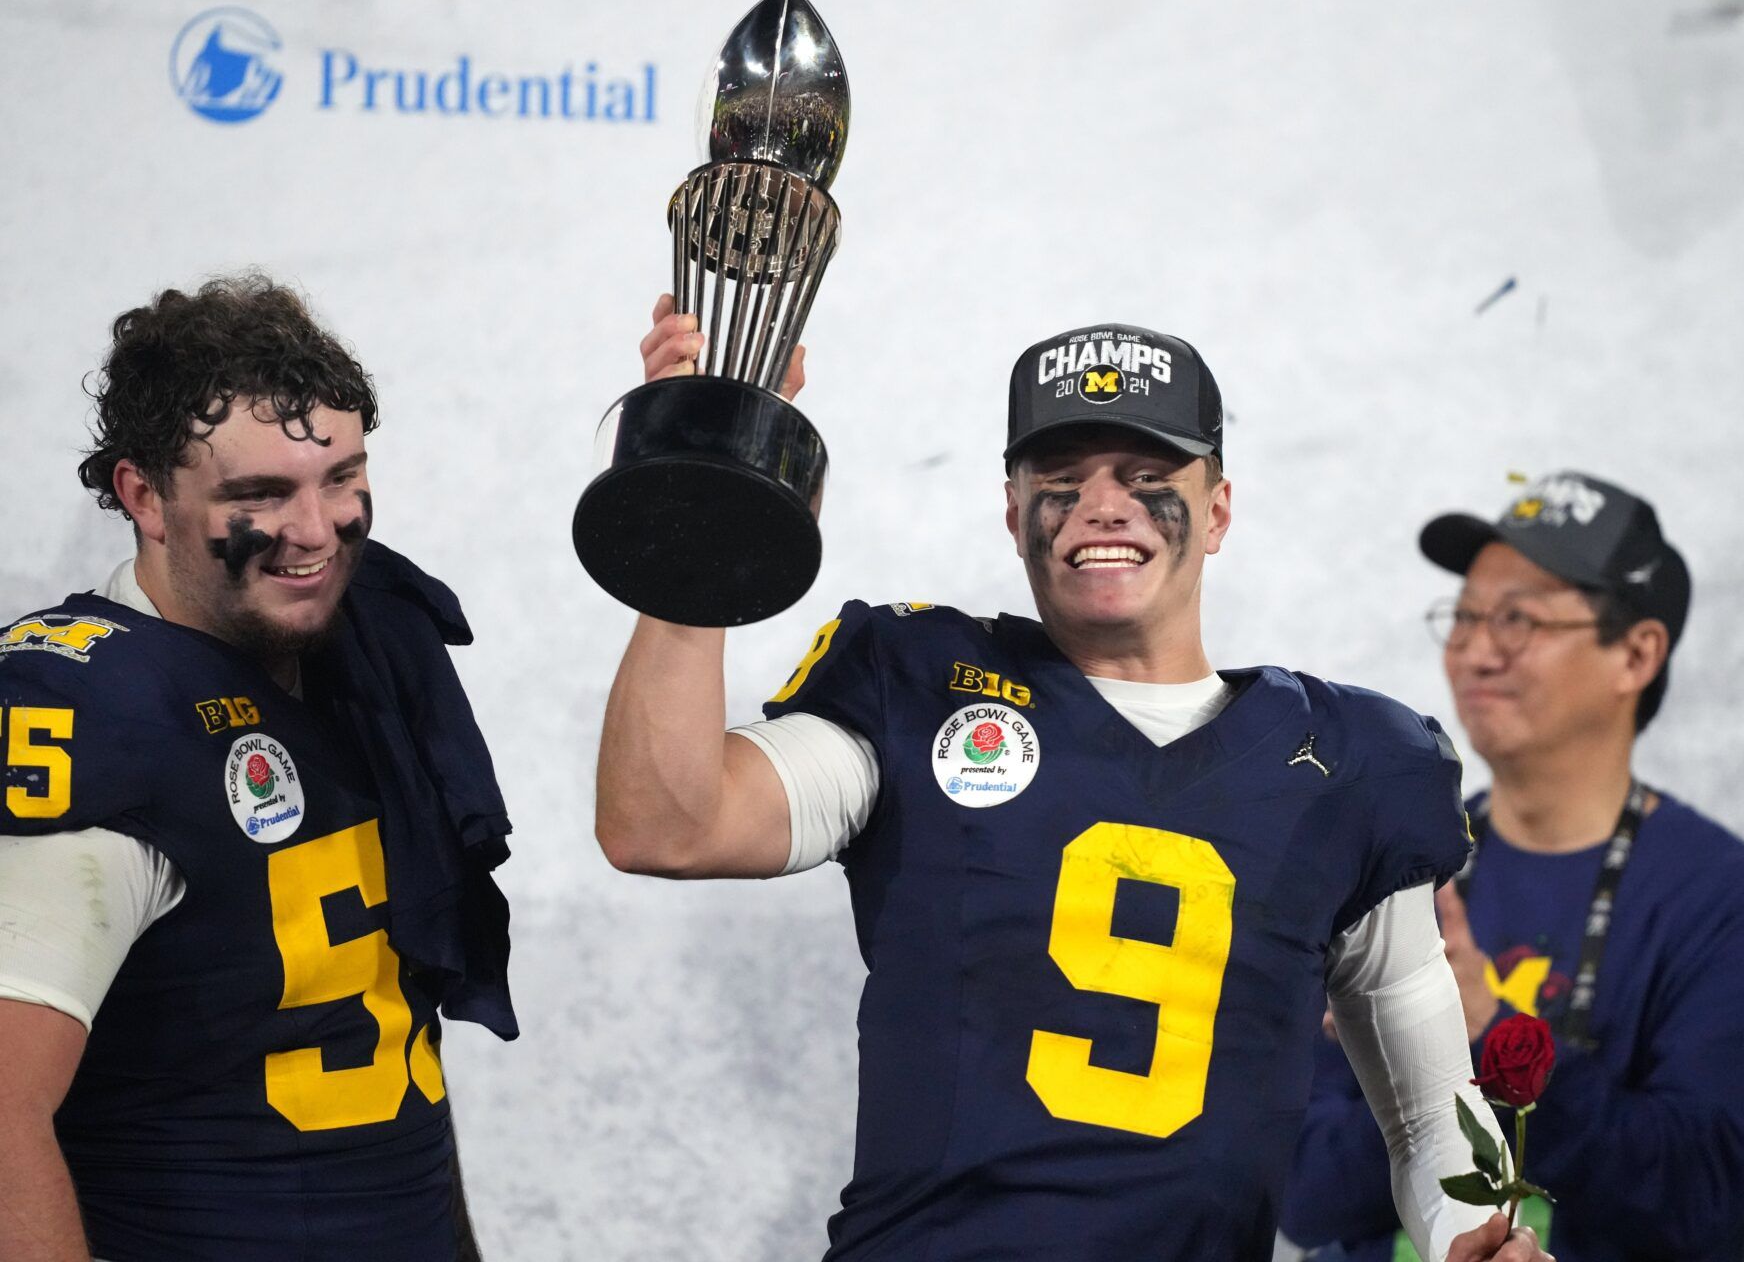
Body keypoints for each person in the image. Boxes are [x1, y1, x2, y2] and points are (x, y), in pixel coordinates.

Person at [594, 299, 1553, 1262]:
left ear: (1217, 509)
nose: (1103, 504)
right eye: (1061, 477)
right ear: (1012, 510)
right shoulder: (919, 685)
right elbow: (665, 825)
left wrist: (1473, 1240)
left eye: (1146, 475)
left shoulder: (1349, 766)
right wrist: (698, 520)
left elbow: (1432, 1118)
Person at [0, 275, 518, 1261]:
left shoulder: (373, 643)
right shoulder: (87, 707)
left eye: (341, 477)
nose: (317, 530)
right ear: (144, 495)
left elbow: (395, 1027)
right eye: (261, 494)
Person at [1282, 472, 1744, 1262]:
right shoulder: (1391, 873)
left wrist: (1481, 1033)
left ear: (1635, 655)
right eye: (1463, 617)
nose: (1474, 648)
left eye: (1518, 619)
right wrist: (1412, 1048)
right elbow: (1309, 1195)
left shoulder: (1743, 907)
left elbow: (1692, 1203)